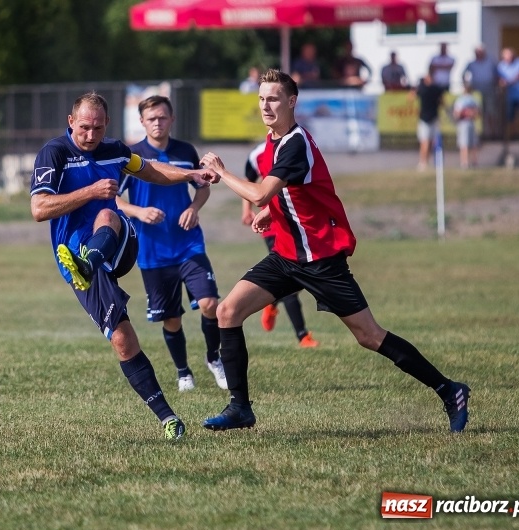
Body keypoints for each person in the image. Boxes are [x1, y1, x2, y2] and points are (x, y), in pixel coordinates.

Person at [197, 69, 470, 434]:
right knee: (228, 312)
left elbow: (261, 192)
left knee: (369, 336)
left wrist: (223, 172)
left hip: (321, 260)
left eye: (273, 98)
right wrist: (272, 213)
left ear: (292, 101)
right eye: (261, 98)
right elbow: (296, 191)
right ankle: (239, 408)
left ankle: (449, 390)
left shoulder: (294, 142)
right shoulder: (274, 139)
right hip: (287, 256)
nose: (266, 105)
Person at [30, 92, 219, 440]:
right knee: (122, 340)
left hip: (118, 242)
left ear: (107, 124)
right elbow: (39, 208)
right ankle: (169, 419)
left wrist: (191, 174)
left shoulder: (115, 150)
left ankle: (90, 262)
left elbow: (151, 170)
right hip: (72, 255)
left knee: (108, 213)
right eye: (84, 127)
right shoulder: (54, 153)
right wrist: (90, 191)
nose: (91, 135)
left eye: (98, 128)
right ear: (71, 122)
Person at [115, 95, 228, 393]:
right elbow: (112, 198)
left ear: (172, 119)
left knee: (210, 304)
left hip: (189, 244)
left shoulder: (185, 151)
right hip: (153, 251)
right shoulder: (133, 156)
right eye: (151, 118)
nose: (157, 123)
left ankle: (213, 358)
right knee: (172, 319)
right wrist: (139, 212)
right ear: (142, 122)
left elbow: (203, 187)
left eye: (162, 117)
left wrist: (194, 208)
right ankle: (183, 372)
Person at [243, 141, 318, 347]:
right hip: (272, 225)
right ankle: (303, 336)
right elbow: (249, 180)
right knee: (291, 275)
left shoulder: (297, 145)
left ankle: (272, 301)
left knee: (307, 272)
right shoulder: (258, 154)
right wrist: (246, 210)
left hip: (297, 222)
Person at [462, 45, 498, 140]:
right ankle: (479, 134)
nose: (479, 54)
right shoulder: (471, 64)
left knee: (491, 112)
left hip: (489, 91)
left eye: (481, 52)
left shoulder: (491, 62)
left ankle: (492, 134)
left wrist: (496, 83)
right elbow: (463, 74)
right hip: (476, 93)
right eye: (477, 53)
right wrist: (467, 87)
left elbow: (497, 74)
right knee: (478, 113)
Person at [414, 69, 445, 172]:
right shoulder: (436, 89)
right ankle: (424, 161)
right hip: (428, 118)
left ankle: (424, 162)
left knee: (427, 142)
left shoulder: (423, 88)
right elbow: (442, 102)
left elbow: (411, 96)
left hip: (429, 118)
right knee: (427, 142)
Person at [497, 47, 519, 141]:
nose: (508, 57)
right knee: (511, 117)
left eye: (510, 55)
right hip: (510, 96)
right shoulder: (501, 66)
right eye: (506, 55)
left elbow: (518, 75)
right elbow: (499, 78)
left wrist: (507, 82)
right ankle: (514, 135)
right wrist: (501, 82)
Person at [452, 83, 480, 169]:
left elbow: (477, 112)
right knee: (465, 143)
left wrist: (470, 113)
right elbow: (457, 113)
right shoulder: (461, 100)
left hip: (469, 122)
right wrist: (465, 113)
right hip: (463, 123)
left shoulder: (472, 99)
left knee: (471, 144)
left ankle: (471, 162)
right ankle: (465, 162)